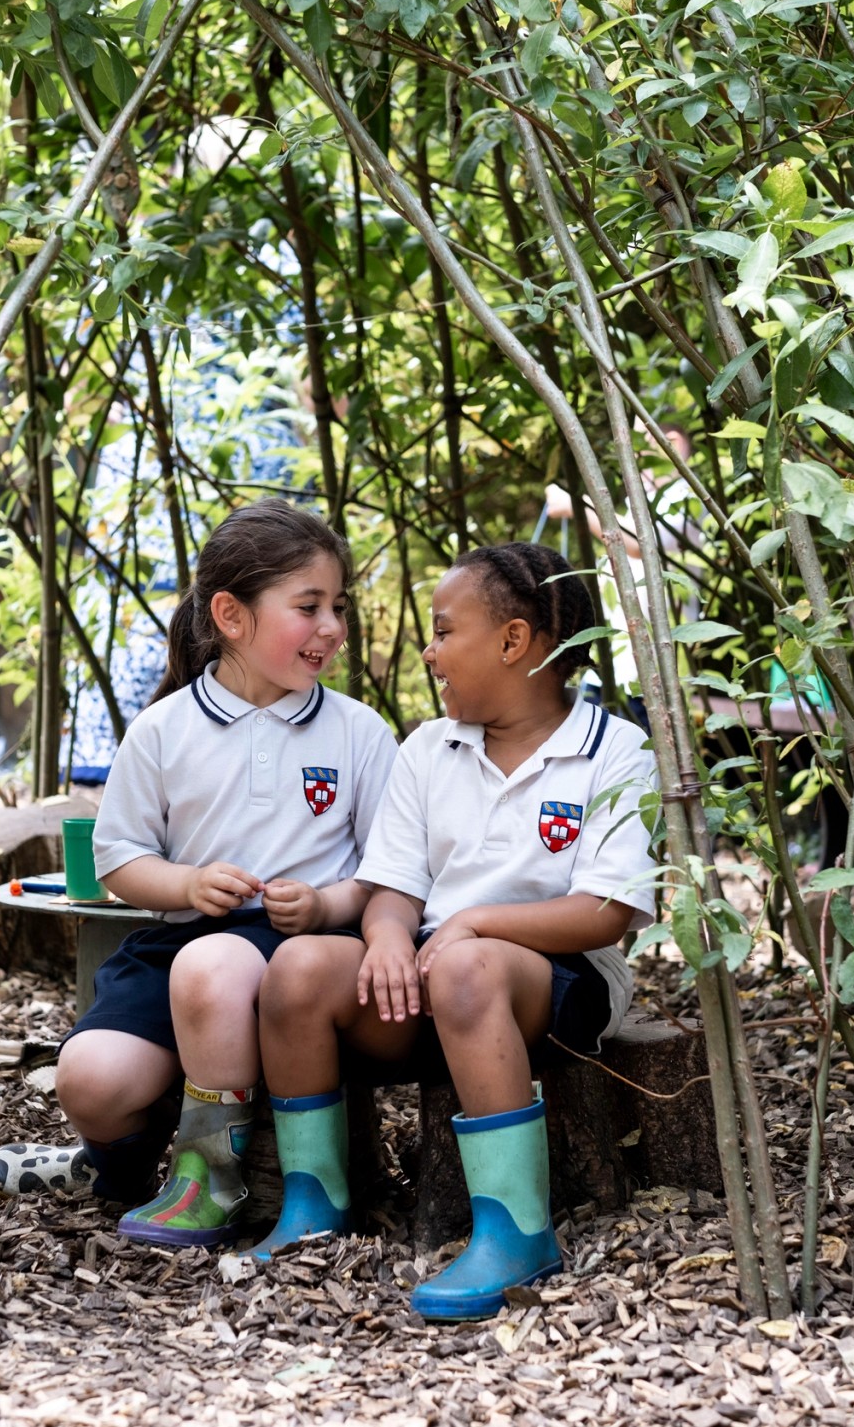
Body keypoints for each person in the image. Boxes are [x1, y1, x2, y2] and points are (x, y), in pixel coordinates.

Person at [248, 541, 658, 1321]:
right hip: (433, 981)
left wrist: (470, 924)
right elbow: (395, 888)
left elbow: (605, 911)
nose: (429, 651)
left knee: (466, 970)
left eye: (443, 631)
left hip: (556, 981)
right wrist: (391, 937)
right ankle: (314, 1201)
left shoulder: (614, 751)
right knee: (298, 968)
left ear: (513, 641)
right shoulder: (430, 748)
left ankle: (516, 1229)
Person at [0, 499, 398, 1251]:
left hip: (298, 951)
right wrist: (186, 884)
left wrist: (329, 900)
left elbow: (391, 868)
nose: (333, 626)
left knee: (215, 964)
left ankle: (210, 1179)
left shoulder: (358, 732)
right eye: (309, 607)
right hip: (179, 940)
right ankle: (117, 1165)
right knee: (90, 1079)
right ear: (231, 616)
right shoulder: (165, 728)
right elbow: (119, 859)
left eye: (337, 606)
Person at [544, 427, 697, 720]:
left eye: (635, 445)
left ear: (672, 444)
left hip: (649, 677)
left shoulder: (683, 498)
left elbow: (643, 546)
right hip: (611, 669)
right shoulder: (639, 507)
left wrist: (580, 506)